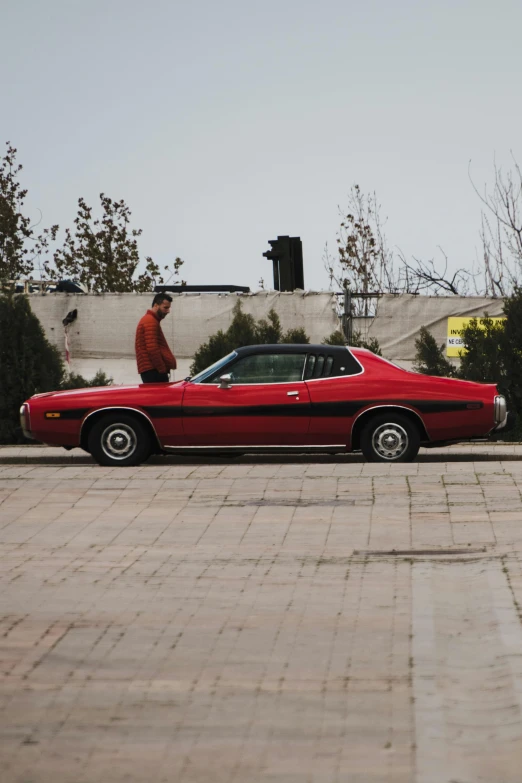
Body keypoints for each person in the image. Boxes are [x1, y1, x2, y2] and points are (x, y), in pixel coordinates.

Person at [135, 293, 177, 383]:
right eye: (165, 308)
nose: (168, 311)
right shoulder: (150, 321)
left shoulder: (149, 320)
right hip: (153, 371)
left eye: (168, 308)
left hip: (150, 370)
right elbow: (152, 349)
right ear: (156, 305)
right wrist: (162, 369)